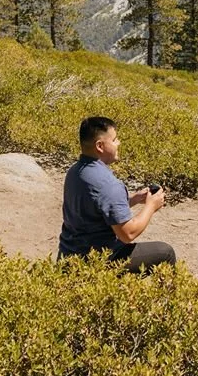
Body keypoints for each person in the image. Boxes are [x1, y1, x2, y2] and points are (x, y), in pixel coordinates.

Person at [57, 115, 176, 272]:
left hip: (68, 257)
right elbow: (128, 233)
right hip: (96, 263)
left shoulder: (75, 171)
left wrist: (133, 199)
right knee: (165, 252)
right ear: (100, 146)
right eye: (114, 140)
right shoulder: (108, 184)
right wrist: (151, 206)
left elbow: (96, 207)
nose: (118, 143)